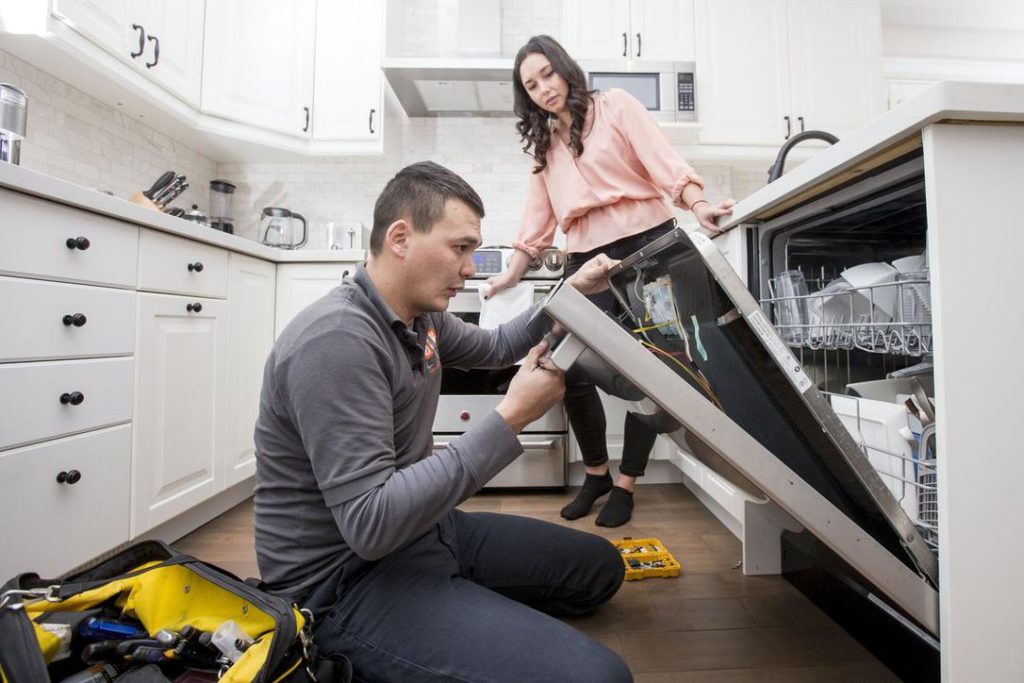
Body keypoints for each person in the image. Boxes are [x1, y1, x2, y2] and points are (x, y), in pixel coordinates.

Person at [253, 161, 633, 683]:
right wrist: (513, 415)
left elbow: (499, 347)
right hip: (343, 583)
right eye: (461, 248)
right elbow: (371, 523)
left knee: (599, 570)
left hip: (424, 530)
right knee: (600, 678)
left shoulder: (418, 316)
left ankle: (449, 607)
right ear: (401, 238)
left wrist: (567, 292)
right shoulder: (336, 342)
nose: (472, 268)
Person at [486, 35, 736, 528]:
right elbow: (537, 223)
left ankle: (627, 482)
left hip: (649, 251)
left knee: (653, 369)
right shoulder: (544, 144)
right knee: (570, 366)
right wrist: (508, 275)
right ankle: (596, 472)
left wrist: (699, 205)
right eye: (530, 85)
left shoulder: (616, 106)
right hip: (584, 260)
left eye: (546, 75)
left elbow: (665, 166)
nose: (542, 89)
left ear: (565, 69)